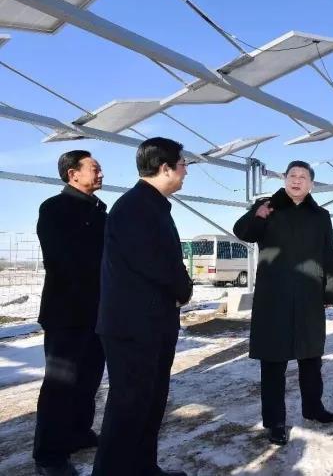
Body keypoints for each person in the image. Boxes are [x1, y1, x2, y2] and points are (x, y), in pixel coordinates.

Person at [93, 137, 192, 476]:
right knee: (128, 409)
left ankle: (143, 468)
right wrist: (183, 287)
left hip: (152, 323)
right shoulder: (135, 207)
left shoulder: (152, 205)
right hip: (133, 327)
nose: (185, 171)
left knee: (149, 405)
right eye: (183, 164)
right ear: (165, 168)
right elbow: (155, 263)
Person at [233, 160, 333, 446]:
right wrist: (256, 215)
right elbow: (242, 232)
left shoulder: (320, 216)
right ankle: (275, 422)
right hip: (274, 296)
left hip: (309, 295)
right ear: (284, 179)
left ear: (311, 184)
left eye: (303, 176)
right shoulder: (268, 207)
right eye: (292, 175)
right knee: (273, 361)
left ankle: (313, 408)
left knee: (311, 357)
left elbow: (329, 254)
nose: (297, 180)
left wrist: (330, 292)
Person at [33, 151, 106, 476]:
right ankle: (48, 456)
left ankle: (78, 432)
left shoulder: (99, 211)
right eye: (94, 168)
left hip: (97, 311)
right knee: (60, 383)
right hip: (66, 312)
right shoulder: (54, 209)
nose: (100, 172)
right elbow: (59, 259)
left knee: (89, 378)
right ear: (72, 174)